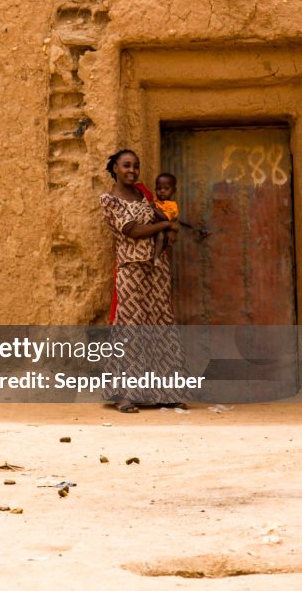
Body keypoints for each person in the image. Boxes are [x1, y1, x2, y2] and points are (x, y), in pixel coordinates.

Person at [100, 150, 189, 413]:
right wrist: (165, 227)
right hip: (131, 271)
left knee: (161, 324)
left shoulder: (143, 194)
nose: (132, 170)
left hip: (157, 269)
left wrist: (170, 225)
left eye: (136, 166)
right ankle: (124, 395)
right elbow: (132, 231)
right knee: (130, 328)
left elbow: (164, 217)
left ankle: (168, 392)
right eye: (126, 165)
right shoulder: (110, 200)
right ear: (115, 168)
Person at [152, 173, 178, 258]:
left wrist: (153, 208)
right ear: (155, 189)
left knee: (160, 235)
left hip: (165, 231)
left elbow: (165, 217)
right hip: (154, 229)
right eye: (159, 188)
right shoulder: (155, 201)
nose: (162, 191)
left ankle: (156, 257)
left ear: (174, 190)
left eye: (166, 188)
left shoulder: (172, 206)